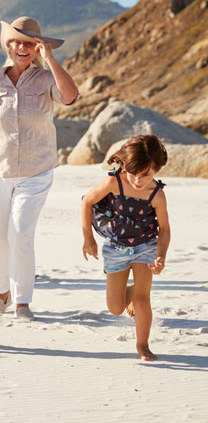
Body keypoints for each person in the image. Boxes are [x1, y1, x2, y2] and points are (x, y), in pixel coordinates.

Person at [0, 17, 78, 319]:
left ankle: (22, 301)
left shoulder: (47, 78)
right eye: (16, 42)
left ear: (37, 47)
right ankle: (1, 294)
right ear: (8, 45)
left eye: (29, 43)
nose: (21, 48)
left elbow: (71, 96)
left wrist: (50, 59)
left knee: (20, 232)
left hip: (36, 171)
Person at [81, 135, 171, 361]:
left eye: (146, 175)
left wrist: (161, 256)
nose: (139, 181)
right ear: (125, 165)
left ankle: (143, 345)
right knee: (115, 308)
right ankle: (129, 293)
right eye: (134, 173)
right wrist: (88, 238)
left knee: (142, 300)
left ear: (156, 170)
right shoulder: (115, 182)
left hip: (145, 247)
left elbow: (165, 229)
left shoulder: (156, 194)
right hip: (115, 249)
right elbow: (87, 202)